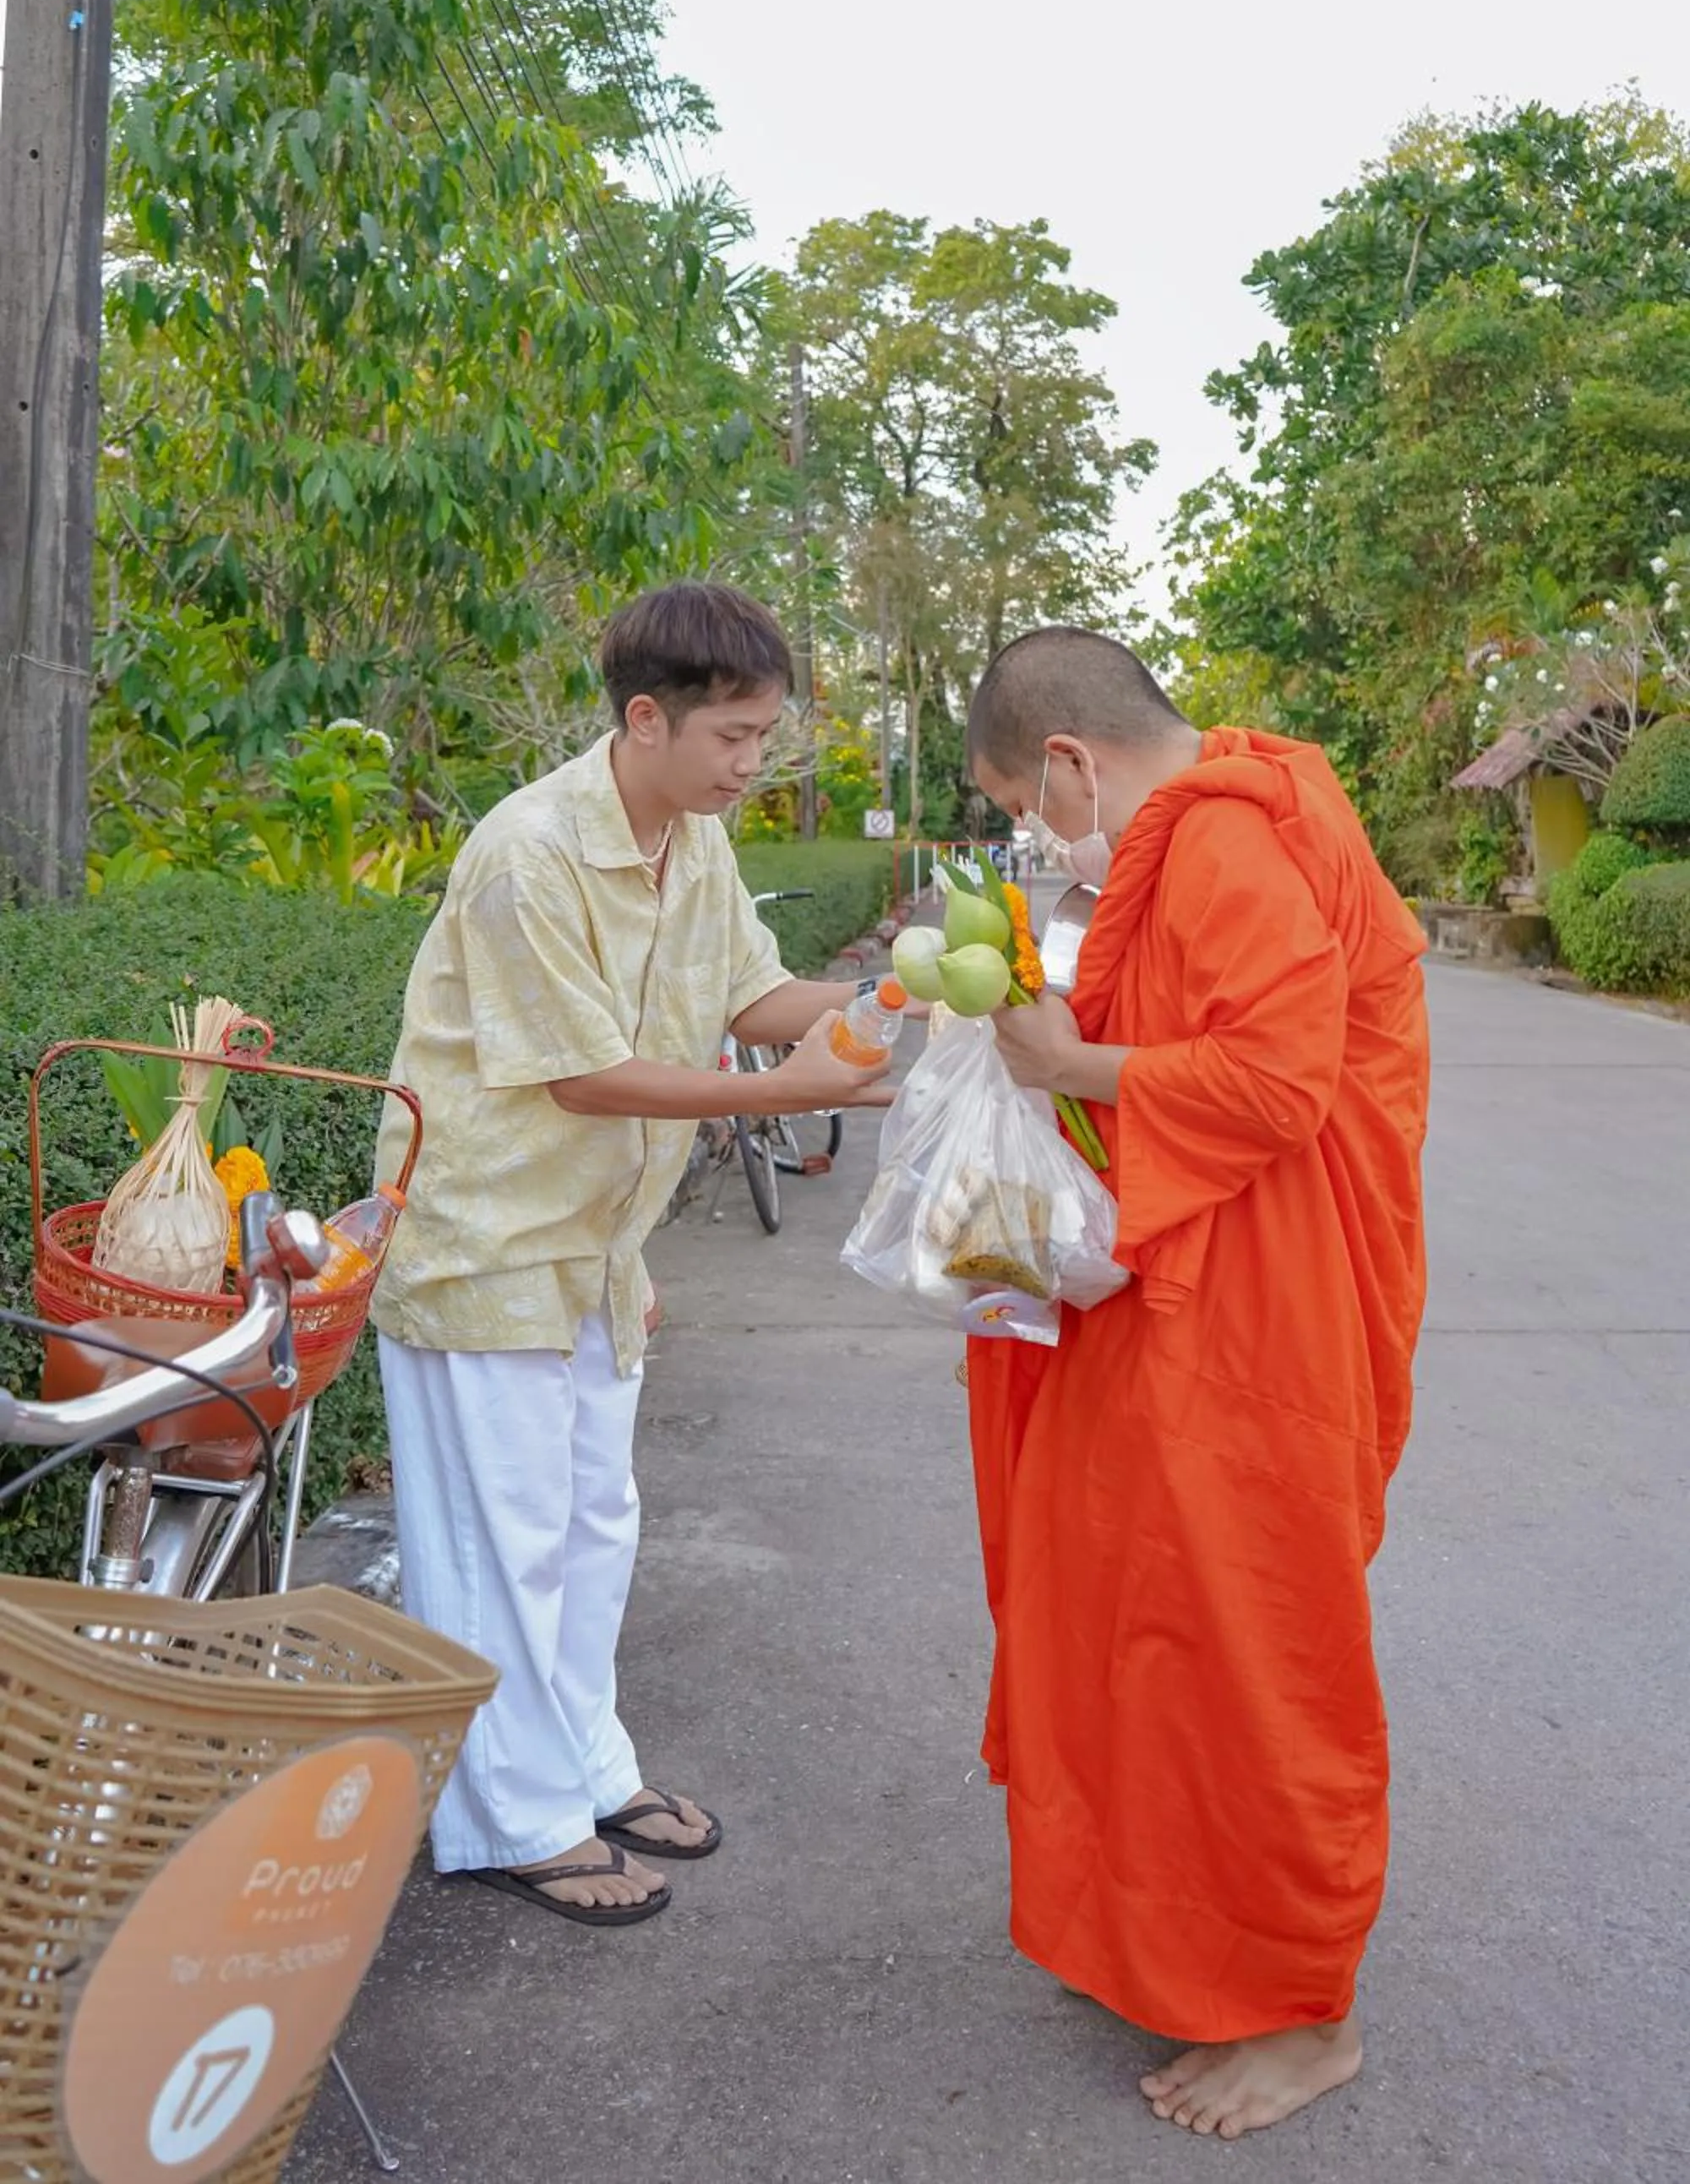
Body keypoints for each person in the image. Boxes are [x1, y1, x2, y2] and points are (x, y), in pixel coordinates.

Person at [962, 627, 1430, 2141]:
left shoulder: (1225, 839)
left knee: (1244, 1643)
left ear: (1072, 763)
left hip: (1259, 1317)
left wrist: (1062, 1063)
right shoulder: (1217, 817)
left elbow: (1280, 1084)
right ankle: (1155, 1939)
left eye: (1026, 813)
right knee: (1128, 1616)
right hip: (1178, 1291)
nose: (1035, 842)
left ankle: (1308, 2012)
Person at [372, 582, 891, 1928]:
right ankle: (507, 1821)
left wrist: (913, 998)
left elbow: (755, 999)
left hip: (595, 1247)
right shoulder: (527, 850)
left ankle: (585, 1771)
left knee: (594, 1524)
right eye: (732, 736)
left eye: (764, 736)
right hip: (486, 1242)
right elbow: (588, 1079)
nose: (750, 764)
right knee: (506, 1547)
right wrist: (793, 1093)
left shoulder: (693, 840)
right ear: (646, 718)